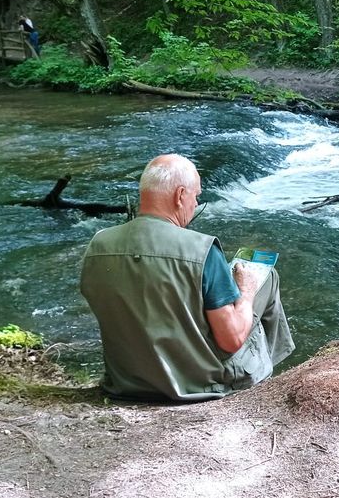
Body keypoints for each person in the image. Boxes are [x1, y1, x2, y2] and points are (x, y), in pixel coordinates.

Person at [80, 154, 295, 401]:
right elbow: (231, 339)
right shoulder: (202, 249)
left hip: (125, 383)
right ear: (180, 195)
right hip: (200, 385)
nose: (195, 203)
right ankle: (272, 379)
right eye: (196, 196)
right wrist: (245, 292)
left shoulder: (98, 245)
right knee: (266, 278)